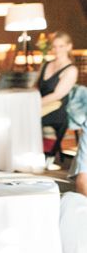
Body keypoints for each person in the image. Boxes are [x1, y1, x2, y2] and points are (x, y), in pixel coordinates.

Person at [38, 32, 78, 170]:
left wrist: (32, 105)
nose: (57, 50)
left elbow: (57, 95)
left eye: (61, 46)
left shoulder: (71, 69)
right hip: (41, 106)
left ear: (69, 47)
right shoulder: (46, 65)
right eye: (54, 46)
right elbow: (35, 87)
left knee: (27, 117)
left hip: (58, 110)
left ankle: (46, 155)